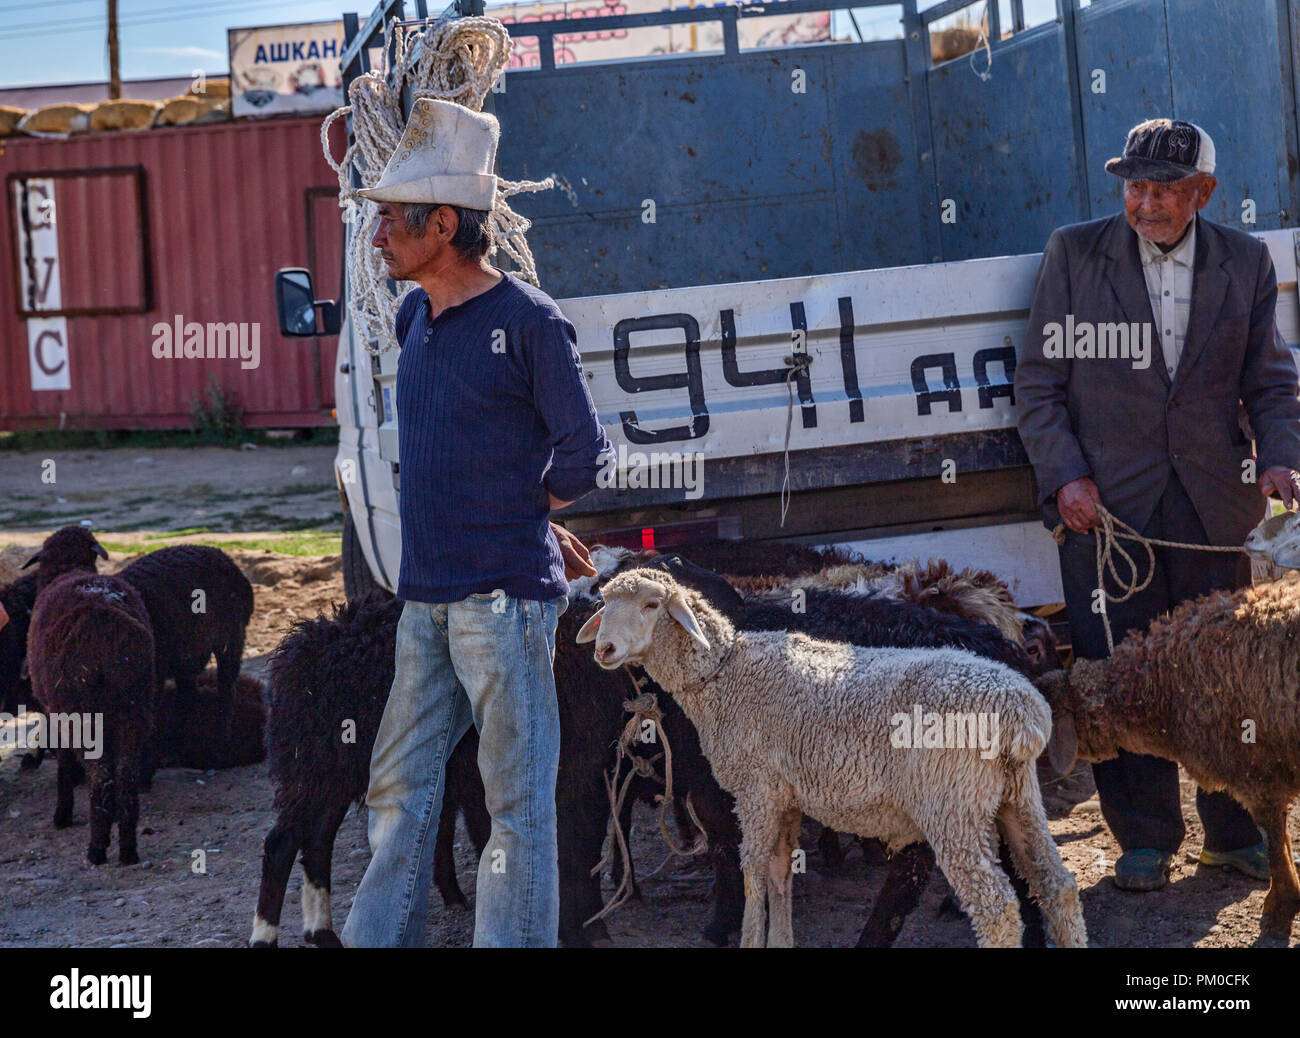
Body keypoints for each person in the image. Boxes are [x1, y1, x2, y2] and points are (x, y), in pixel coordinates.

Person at [339, 98, 612, 946]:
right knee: (398, 791)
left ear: (444, 224)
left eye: (391, 221)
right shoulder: (418, 316)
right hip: (425, 603)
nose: (377, 237)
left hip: (504, 606)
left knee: (515, 806)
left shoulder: (528, 322)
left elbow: (583, 455)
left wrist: (525, 519)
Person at [1015, 117, 1300, 892]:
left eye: (1164, 190)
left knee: (1223, 678)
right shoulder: (1075, 254)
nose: (1145, 204)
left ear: (1202, 192)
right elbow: (1039, 384)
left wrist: (1279, 458)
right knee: (1120, 676)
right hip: (1107, 514)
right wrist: (1066, 476)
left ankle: (1235, 835)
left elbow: (1269, 381)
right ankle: (1143, 840)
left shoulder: (1245, 262)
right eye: (1135, 187)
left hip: (1214, 503)